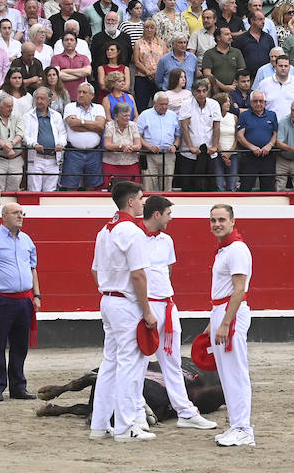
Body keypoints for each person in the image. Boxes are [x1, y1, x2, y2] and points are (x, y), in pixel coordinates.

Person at [138, 195, 218, 430]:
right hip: (147, 305)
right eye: (168, 214)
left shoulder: (167, 240)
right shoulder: (134, 238)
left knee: (171, 360)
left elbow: (167, 271)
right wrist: (144, 307)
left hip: (166, 305)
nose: (171, 218)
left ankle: (185, 411)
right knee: (139, 361)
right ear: (156, 214)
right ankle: (135, 411)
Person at [88, 181, 156, 441]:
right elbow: (138, 275)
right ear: (131, 202)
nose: (143, 202)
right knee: (128, 364)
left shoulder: (105, 230)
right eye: (141, 198)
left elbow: (95, 270)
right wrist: (147, 310)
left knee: (110, 363)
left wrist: (109, 291)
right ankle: (126, 426)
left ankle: (99, 424)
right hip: (125, 304)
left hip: (108, 300)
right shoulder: (132, 232)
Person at [0, 202, 39, 401]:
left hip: (24, 299)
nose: (20, 216)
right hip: (1, 299)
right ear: (3, 217)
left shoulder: (27, 240)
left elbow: (33, 269)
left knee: (21, 345)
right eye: (15, 213)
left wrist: (37, 295)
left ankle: (18, 387)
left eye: (22, 213)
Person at [207, 203, 255, 446]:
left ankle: (243, 428)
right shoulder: (225, 249)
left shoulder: (236, 249)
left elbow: (238, 291)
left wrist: (225, 323)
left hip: (231, 315)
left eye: (222, 220)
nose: (217, 224)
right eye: (213, 220)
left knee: (235, 372)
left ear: (233, 221)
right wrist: (212, 322)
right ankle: (236, 424)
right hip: (222, 312)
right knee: (227, 374)